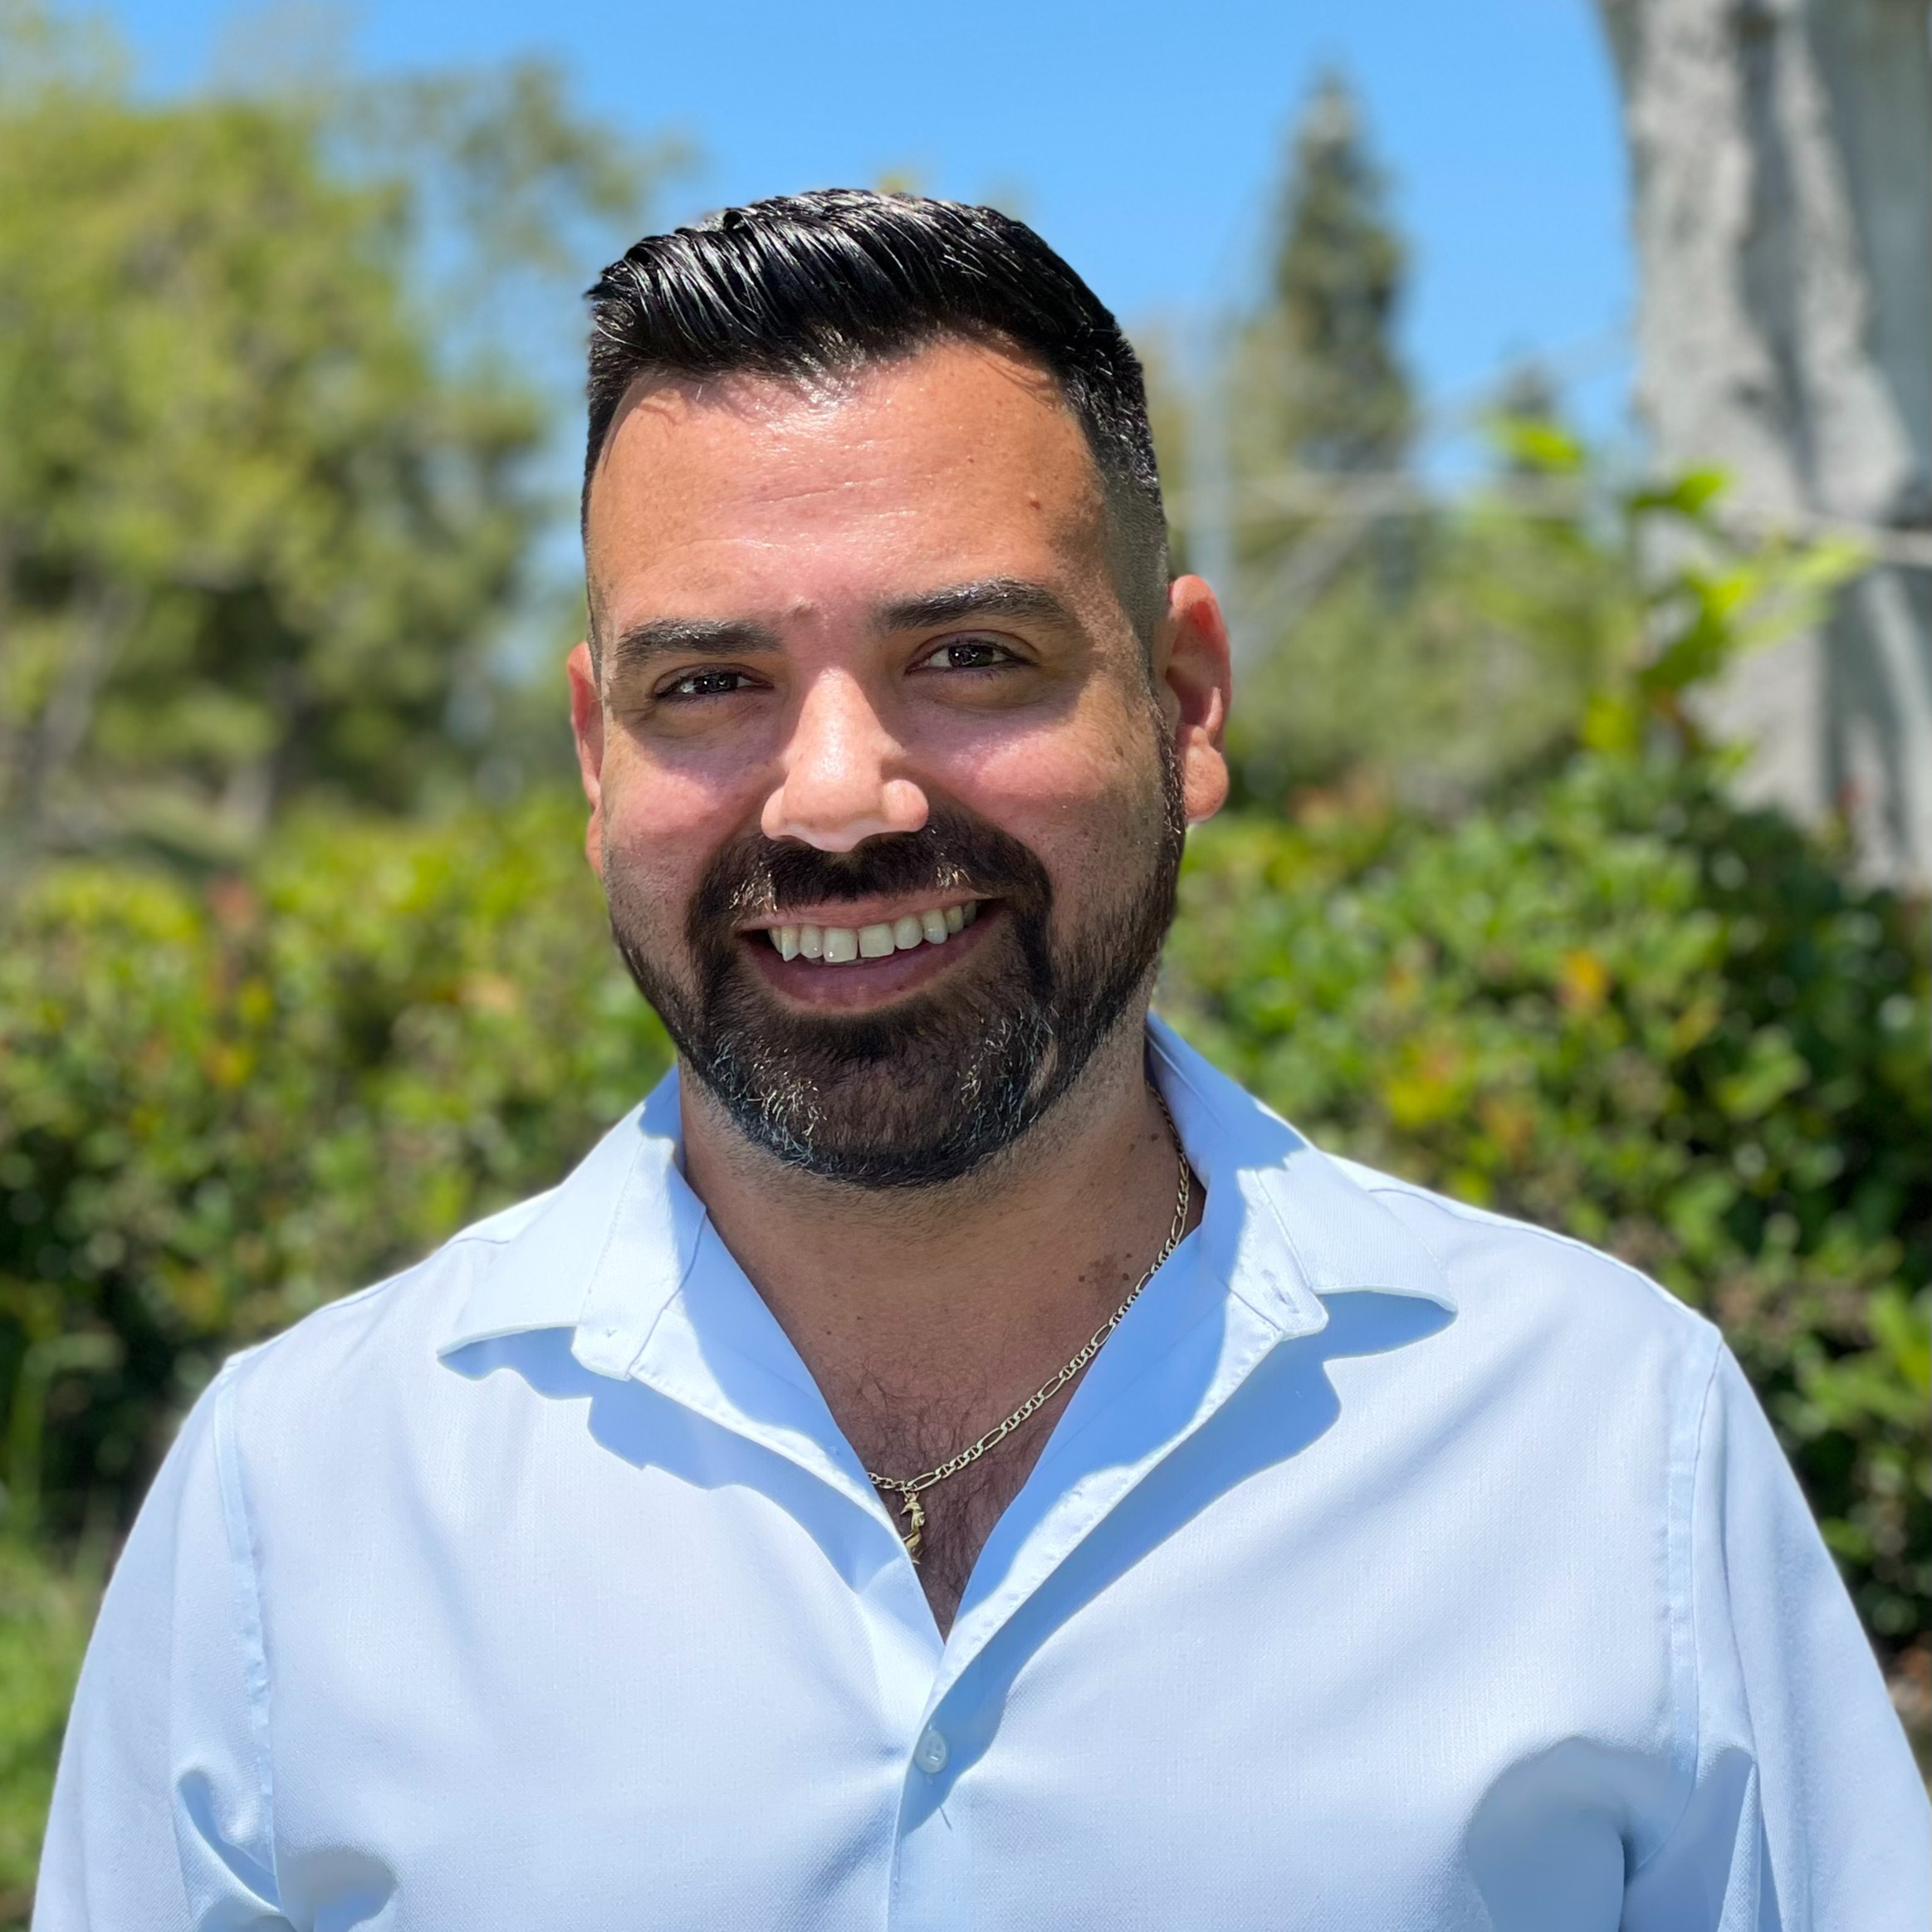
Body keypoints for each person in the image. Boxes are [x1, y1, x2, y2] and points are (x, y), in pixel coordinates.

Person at [37, 190, 1927, 1931]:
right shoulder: (302, 1500)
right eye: (709, 686)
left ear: (1183, 704)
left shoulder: (1599, 1441)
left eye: (971, 655)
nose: (839, 797)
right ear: (597, 756)